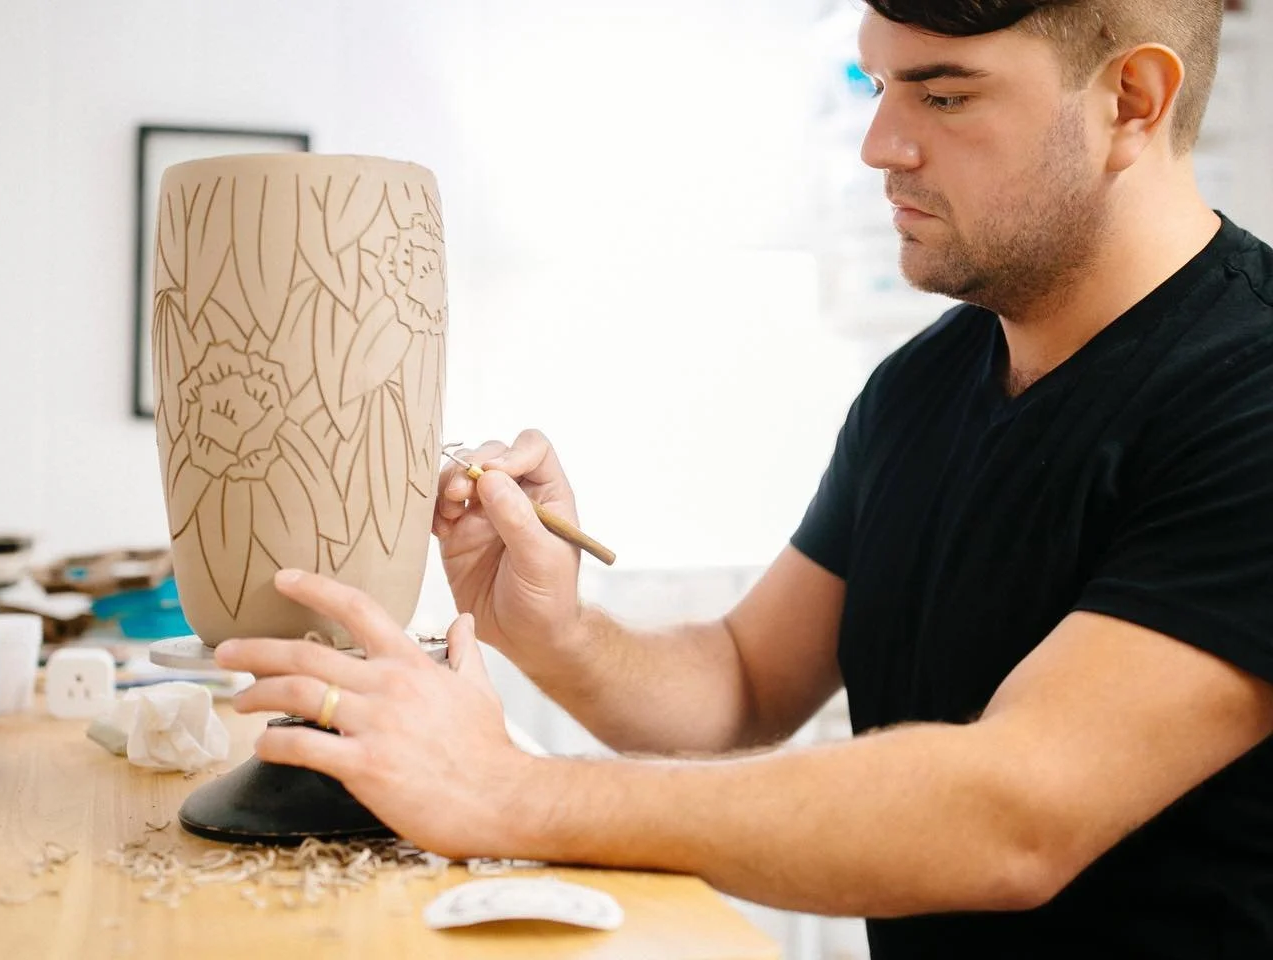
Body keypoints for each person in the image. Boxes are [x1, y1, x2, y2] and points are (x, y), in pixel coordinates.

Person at [214, 1, 1273, 955]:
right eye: (877, 86)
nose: (879, 145)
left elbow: (1015, 816)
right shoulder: (920, 387)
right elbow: (742, 686)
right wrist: (555, 630)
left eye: (943, 93)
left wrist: (507, 791)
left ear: (1132, 98)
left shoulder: (1250, 392)